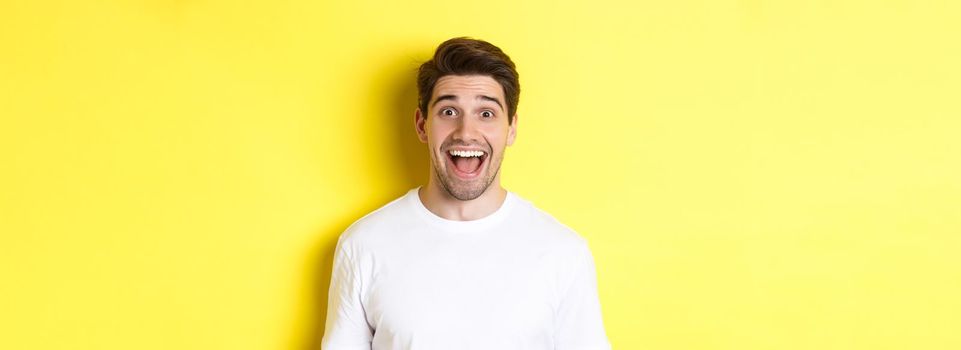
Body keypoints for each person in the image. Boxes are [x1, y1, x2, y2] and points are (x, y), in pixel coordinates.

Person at [321, 37, 611, 350]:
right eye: (448, 111)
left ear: (511, 127)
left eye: (486, 113)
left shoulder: (564, 253)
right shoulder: (364, 245)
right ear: (422, 125)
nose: (466, 132)